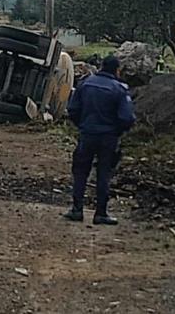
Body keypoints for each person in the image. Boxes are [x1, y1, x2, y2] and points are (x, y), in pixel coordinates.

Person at [64, 55, 136, 225]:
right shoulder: (119, 89)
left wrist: (83, 126)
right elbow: (127, 118)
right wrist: (117, 132)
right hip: (108, 138)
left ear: (102, 66)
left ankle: (76, 210)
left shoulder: (85, 84)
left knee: (80, 172)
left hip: (87, 135)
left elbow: (72, 109)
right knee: (103, 174)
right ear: (117, 70)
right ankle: (101, 213)